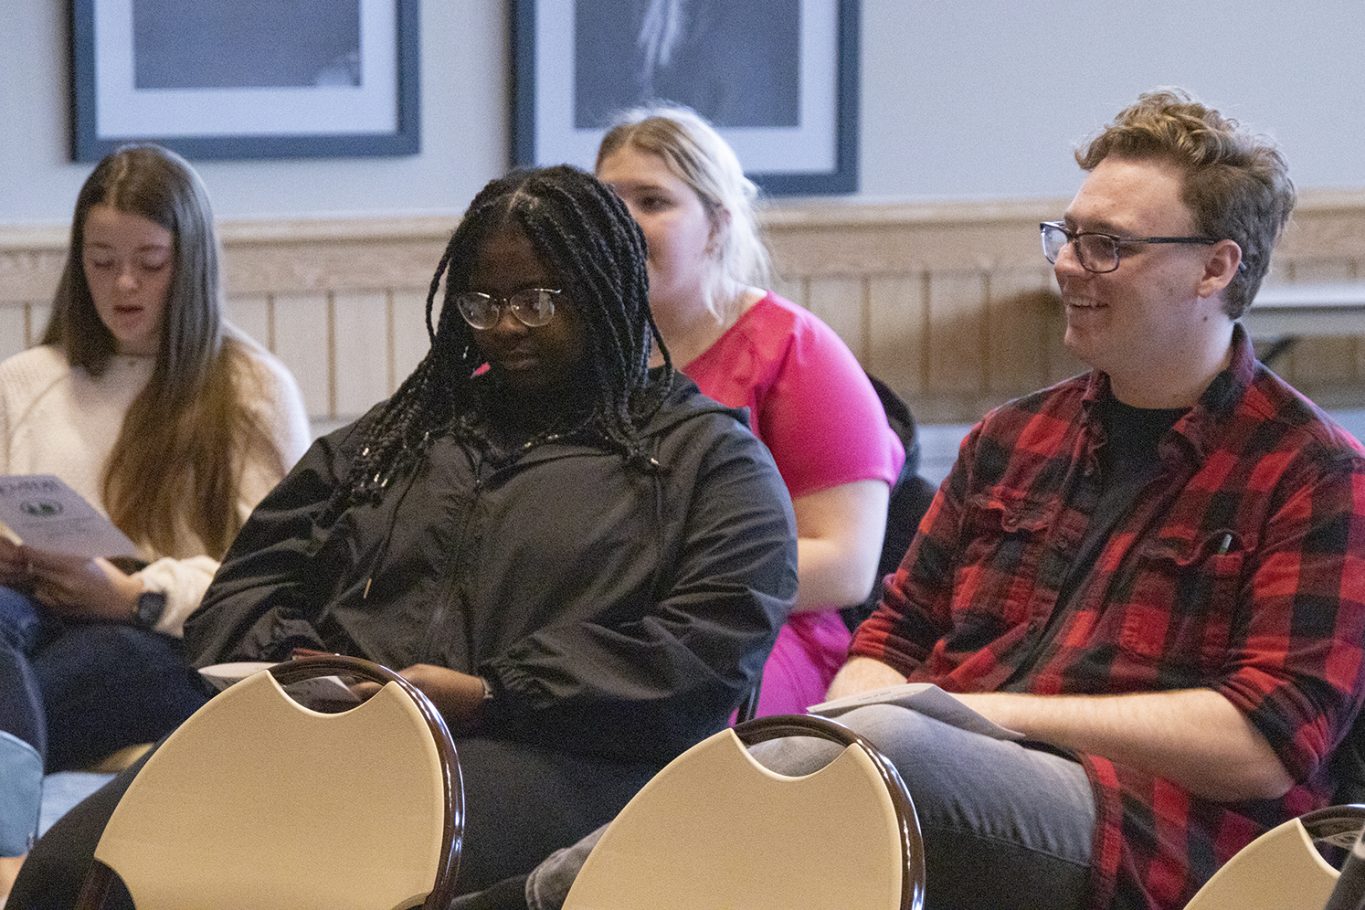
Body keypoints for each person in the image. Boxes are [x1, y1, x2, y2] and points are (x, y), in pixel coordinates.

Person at [483, 88, 1365, 910]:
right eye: (1066, 235)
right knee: (795, 752)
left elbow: (1260, 743)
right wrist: (847, 718)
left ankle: (533, 900)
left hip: (1159, 830)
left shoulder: (1313, 471)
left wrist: (966, 718)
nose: (1069, 266)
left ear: (1214, 267)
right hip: (948, 763)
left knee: (888, 754)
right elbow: (892, 633)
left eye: (1109, 247)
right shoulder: (1013, 439)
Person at [8, 164, 797, 907]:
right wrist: (301, 665)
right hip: (327, 728)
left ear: (604, 293)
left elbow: (706, 649)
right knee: (72, 866)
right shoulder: (391, 440)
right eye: (482, 305)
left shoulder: (704, 460)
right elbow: (242, 591)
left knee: (319, 866)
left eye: (536, 303)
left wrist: (494, 694)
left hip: (556, 751)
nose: (506, 329)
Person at [0, 144, 311, 898]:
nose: (124, 284)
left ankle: (11, 853)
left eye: (150, 260)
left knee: (81, 668)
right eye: (101, 262)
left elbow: (283, 580)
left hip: (161, 637)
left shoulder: (249, 389)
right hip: (31, 607)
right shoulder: (26, 380)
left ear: (192, 262)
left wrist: (134, 594)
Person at [596, 105, 904, 716]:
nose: (623, 224)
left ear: (716, 226)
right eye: (608, 203)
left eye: (653, 201)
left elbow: (847, 564)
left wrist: (653, 586)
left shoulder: (796, 350)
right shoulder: (561, 352)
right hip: (592, 624)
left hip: (761, 637)